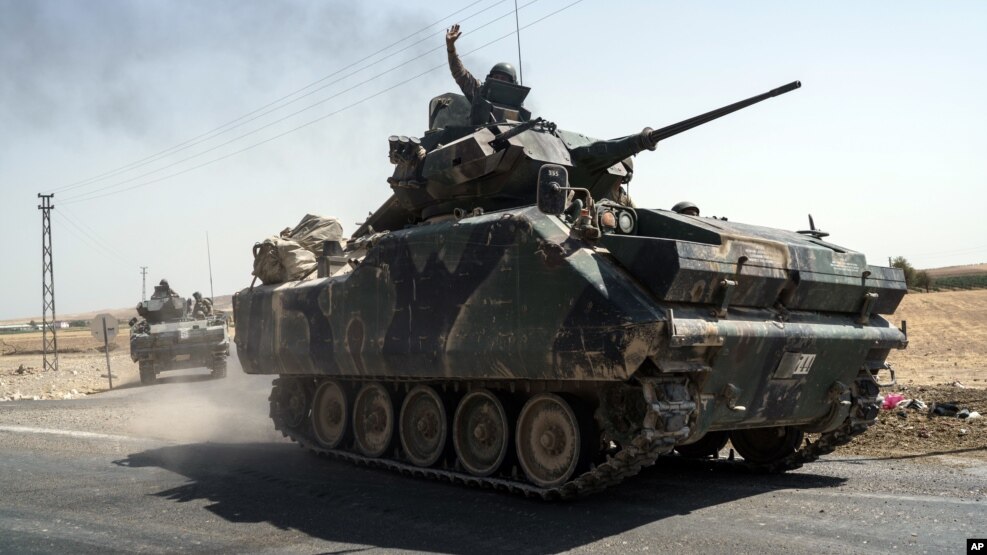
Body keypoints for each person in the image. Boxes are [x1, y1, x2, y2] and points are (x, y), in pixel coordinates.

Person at [445, 23, 518, 111]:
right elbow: (460, 73)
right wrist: (451, 47)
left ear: (511, 84)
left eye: (503, 78)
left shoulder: (516, 105)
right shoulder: (480, 92)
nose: (498, 81)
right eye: (496, 77)